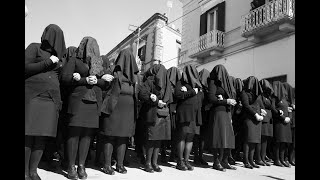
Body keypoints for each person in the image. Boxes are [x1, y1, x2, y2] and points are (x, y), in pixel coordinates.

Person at [61, 36, 112, 179]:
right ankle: (71, 166)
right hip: (78, 101)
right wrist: (84, 80)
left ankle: (81, 166)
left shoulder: (100, 63)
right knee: (75, 134)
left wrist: (98, 80)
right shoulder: (75, 60)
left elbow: (106, 84)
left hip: (94, 102)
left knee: (87, 135)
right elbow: (64, 77)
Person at [25, 24, 67, 180]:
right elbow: (26, 67)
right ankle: (25, 172)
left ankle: (33, 171)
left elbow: (62, 77)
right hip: (33, 96)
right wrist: (48, 62)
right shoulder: (34, 48)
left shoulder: (61, 58)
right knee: (28, 135)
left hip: (51, 99)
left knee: (41, 137)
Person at [99, 48, 139, 175]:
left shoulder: (135, 76)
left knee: (123, 138)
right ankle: (107, 165)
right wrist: (104, 80)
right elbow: (103, 88)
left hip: (128, 111)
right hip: (113, 109)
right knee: (110, 136)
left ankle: (120, 164)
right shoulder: (112, 71)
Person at [138, 64, 173, 173]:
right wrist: (155, 99)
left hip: (161, 114)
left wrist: (160, 101)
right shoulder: (150, 81)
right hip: (153, 114)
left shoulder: (163, 82)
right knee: (152, 139)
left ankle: (154, 162)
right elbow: (142, 94)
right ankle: (148, 163)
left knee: (157, 140)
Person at [207, 64, 237, 171]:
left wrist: (228, 102)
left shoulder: (227, 84)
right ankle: (216, 161)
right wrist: (225, 101)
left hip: (227, 112)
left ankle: (224, 161)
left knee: (228, 138)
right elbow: (211, 98)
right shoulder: (213, 82)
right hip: (218, 112)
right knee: (219, 138)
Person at [174, 64, 203, 171]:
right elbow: (177, 95)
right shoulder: (180, 83)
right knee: (182, 136)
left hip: (195, 114)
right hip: (185, 112)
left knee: (190, 138)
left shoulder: (198, 85)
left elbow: (201, 97)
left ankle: (186, 160)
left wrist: (190, 91)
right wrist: (191, 92)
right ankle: (180, 161)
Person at [240, 76, 266, 169]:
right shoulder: (244, 93)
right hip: (250, 118)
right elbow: (246, 106)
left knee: (254, 141)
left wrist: (263, 110)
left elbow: (261, 104)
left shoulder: (258, 94)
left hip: (257, 119)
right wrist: (255, 114)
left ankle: (251, 160)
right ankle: (246, 161)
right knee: (248, 140)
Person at [256, 79, 277, 166]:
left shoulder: (268, 96)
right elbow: (260, 104)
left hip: (269, 119)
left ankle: (263, 157)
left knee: (265, 140)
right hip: (263, 118)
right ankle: (258, 158)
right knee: (260, 139)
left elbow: (272, 107)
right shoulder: (260, 96)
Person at [272, 81, 292, 167]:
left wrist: (289, 118)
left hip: (286, 123)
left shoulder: (285, 99)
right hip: (279, 122)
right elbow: (273, 109)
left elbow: (289, 109)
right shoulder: (274, 98)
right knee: (278, 142)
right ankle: (277, 160)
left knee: (284, 142)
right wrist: (283, 118)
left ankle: (282, 159)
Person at [193, 68, 211, 166]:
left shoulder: (206, 89)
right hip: (199, 114)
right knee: (197, 137)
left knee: (201, 137)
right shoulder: (198, 88)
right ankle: (197, 157)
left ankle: (199, 156)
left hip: (204, 115)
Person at [166, 67, 181, 162]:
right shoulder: (179, 86)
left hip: (168, 111)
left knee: (168, 133)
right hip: (175, 111)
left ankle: (165, 153)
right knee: (175, 134)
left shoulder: (166, 84)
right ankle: (172, 154)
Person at [231, 78, 244, 162]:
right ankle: (232, 155)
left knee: (239, 138)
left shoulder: (240, 95)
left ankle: (236, 153)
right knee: (234, 137)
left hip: (239, 119)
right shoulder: (233, 94)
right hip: (234, 117)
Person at [282, 82, 295, 166]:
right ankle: (286, 158)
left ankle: (291, 158)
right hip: (289, 122)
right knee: (287, 142)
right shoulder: (286, 99)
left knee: (292, 143)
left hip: (292, 121)